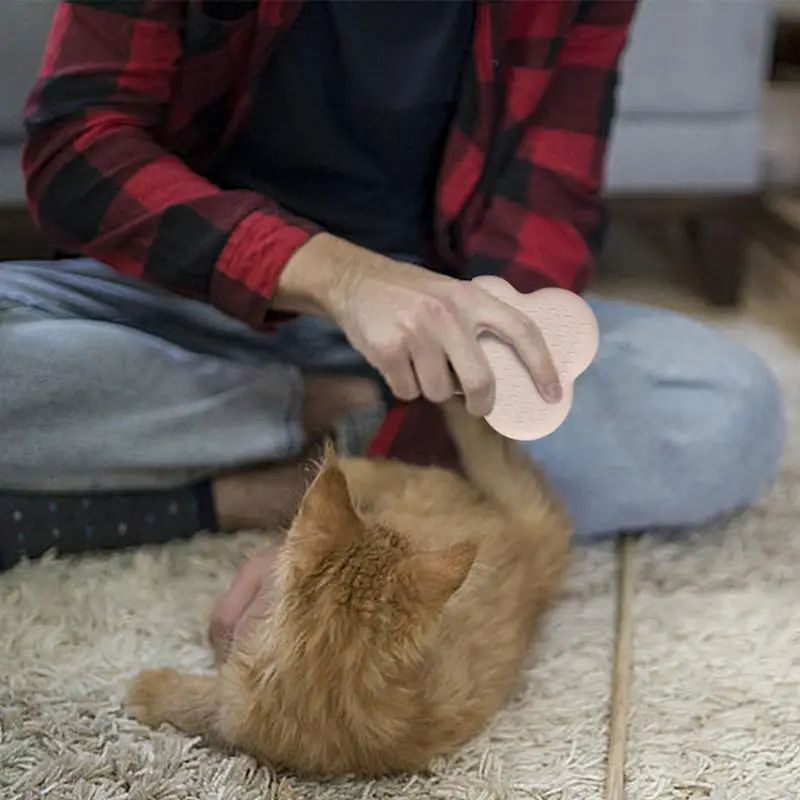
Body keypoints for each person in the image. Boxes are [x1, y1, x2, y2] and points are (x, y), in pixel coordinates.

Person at [0, 0, 784, 629]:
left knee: (724, 409)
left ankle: (274, 467)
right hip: (183, 299)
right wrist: (342, 278)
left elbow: (544, 209)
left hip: (432, 340)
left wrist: (374, 515)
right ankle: (310, 421)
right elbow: (77, 154)